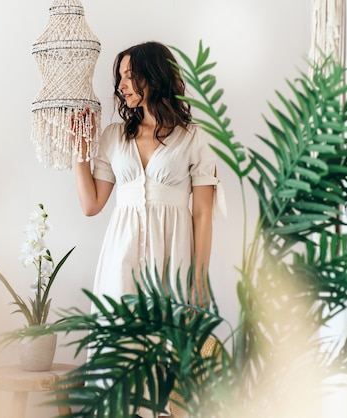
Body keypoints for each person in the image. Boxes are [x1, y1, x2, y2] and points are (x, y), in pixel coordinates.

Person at [73, 41, 222, 417]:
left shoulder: (194, 137)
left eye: (129, 75)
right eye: (119, 76)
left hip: (171, 261)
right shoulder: (112, 136)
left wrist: (199, 278)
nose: (121, 85)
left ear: (153, 76)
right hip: (120, 259)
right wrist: (79, 153)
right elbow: (92, 205)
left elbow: (202, 212)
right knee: (119, 358)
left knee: (167, 364)